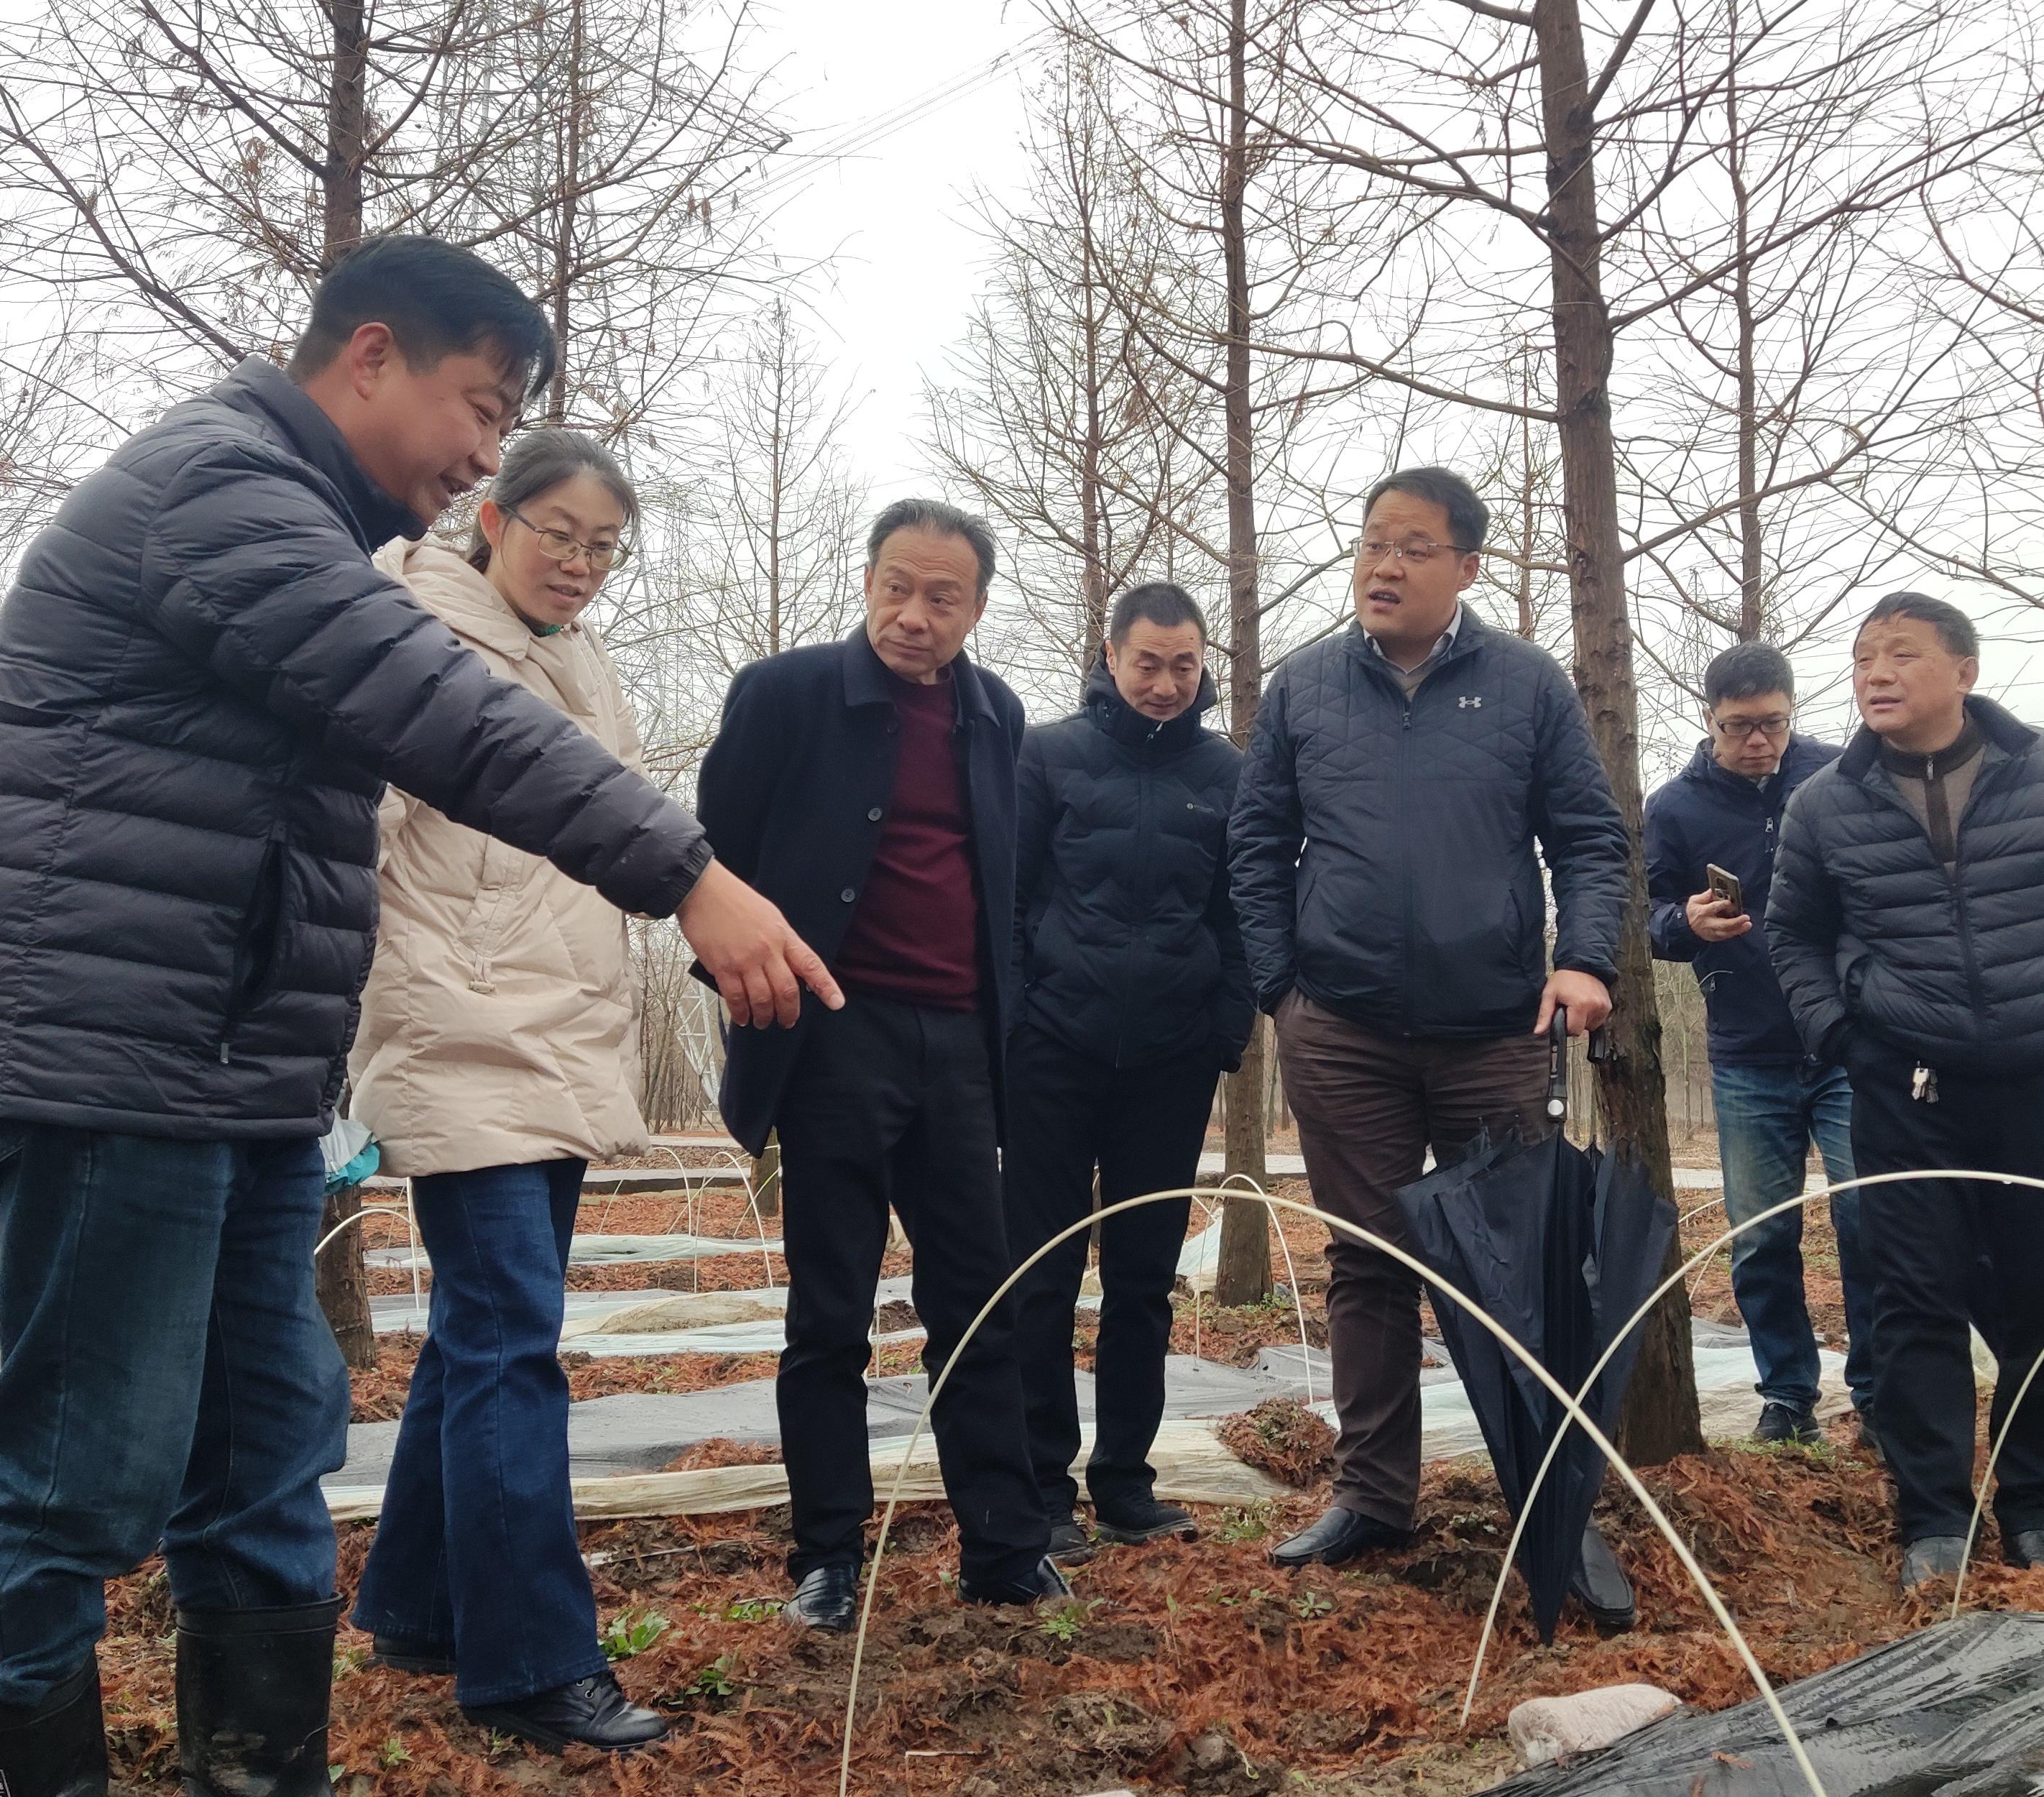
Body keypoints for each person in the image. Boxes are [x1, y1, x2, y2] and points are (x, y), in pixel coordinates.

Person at [0, 237, 830, 1797]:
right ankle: (11, 1753)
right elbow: (439, 710)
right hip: (109, 1060)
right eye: (479, 408)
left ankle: (262, 1769)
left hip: (244, 1074)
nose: (486, 450)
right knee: (85, 1465)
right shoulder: (219, 493)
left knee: (272, 1450)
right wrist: (689, 875)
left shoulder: (308, 527)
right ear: (371, 356)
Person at [1229, 465, 1630, 1571]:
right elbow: (1256, 847)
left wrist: (1584, 959)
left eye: (1412, 546)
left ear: (1466, 565)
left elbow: (1590, 839)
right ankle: (1373, 1496)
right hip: (1342, 1031)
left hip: (1496, 1032)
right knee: (1368, 1263)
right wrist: (1284, 993)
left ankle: (1553, 1506)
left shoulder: (1526, 686)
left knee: (1518, 1270)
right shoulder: (1305, 688)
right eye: (1371, 544)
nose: (1385, 565)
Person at [339, 431, 669, 1751]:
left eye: (605, 548)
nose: (580, 565)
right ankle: (532, 1662)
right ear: (493, 514)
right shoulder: (411, 628)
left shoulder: (586, 665)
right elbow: (348, 833)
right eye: (560, 533)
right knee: (511, 1340)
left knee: (485, 1336)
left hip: (562, 1039)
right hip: (459, 1028)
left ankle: (418, 1605)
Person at [695, 498, 1061, 1633]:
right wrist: (759, 997)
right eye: (896, 587)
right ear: (866, 584)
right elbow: (716, 863)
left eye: (942, 597)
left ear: (977, 608)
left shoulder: (996, 714)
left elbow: (1014, 882)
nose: (914, 615)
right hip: (833, 1036)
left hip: (958, 1046)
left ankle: (1004, 1546)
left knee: (976, 1302)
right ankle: (827, 1557)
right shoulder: (785, 694)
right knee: (831, 1311)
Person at [1767, 591, 2044, 1593]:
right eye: (1864, 657)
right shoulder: (1825, 801)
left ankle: (2041, 1511)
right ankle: (1935, 1518)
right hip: (1904, 1087)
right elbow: (1793, 936)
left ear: (1965, 671)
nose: (1877, 673)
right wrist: (1842, 1035)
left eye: (1902, 654)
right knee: (1914, 1301)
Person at [1006, 582, 1252, 1565]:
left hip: (1171, 1059)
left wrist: (1220, 1027)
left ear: (1203, 668)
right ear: (1110, 656)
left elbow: (1240, 915)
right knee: (1043, 1273)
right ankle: (1041, 1484)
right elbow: (1012, 897)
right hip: (1053, 1055)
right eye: (1147, 662)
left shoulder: (1226, 772)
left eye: (1183, 665)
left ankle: (1126, 1481)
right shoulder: (1048, 755)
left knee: (1143, 1280)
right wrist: (1019, 1025)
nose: (1164, 683)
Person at [1645, 640, 1874, 1447]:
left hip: (1850, 1044)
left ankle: (1879, 1398)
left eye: (1773, 723)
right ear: (1708, 719)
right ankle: (1787, 1396)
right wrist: (1685, 923)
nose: (1759, 743)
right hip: (1747, 1051)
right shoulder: (1674, 808)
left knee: (1869, 1223)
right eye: (1740, 726)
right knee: (1763, 1234)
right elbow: (1639, 918)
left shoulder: (1842, 776)